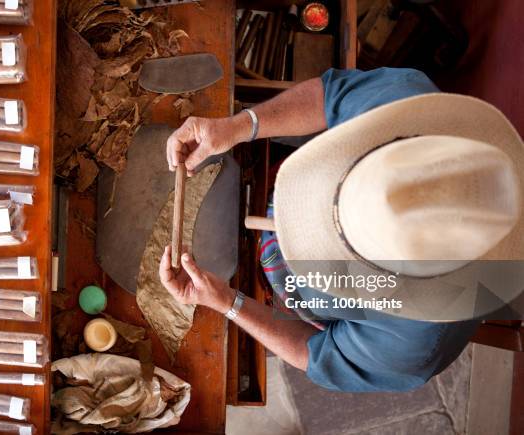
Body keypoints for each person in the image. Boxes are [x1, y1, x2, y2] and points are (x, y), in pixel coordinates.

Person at [158, 68, 524, 392]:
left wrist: (228, 302)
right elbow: (330, 96)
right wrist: (236, 127)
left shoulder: (413, 346)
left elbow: (314, 353)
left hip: (300, 295)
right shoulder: (412, 109)